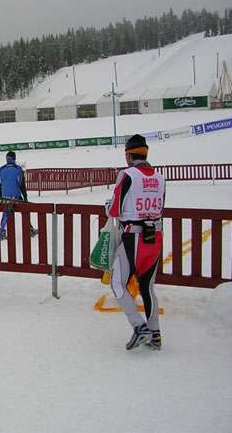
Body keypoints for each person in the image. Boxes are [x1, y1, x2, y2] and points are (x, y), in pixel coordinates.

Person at [105, 134, 166, 351]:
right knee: (147, 286)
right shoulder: (160, 177)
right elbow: (160, 208)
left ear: (129, 156)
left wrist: (108, 206)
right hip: (155, 236)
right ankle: (155, 333)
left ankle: (139, 325)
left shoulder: (127, 175)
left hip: (133, 236)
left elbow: (114, 209)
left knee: (118, 283)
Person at [0, 151, 36, 237]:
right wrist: (25, 197)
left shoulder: (1, 169)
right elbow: (21, 184)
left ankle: (2, 231)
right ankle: (30, 229)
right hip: (16, 195)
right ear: (14, 158)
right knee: (24, 212)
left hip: (5, 196)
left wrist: (0, 195)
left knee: (5, 212)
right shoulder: (18, 169)